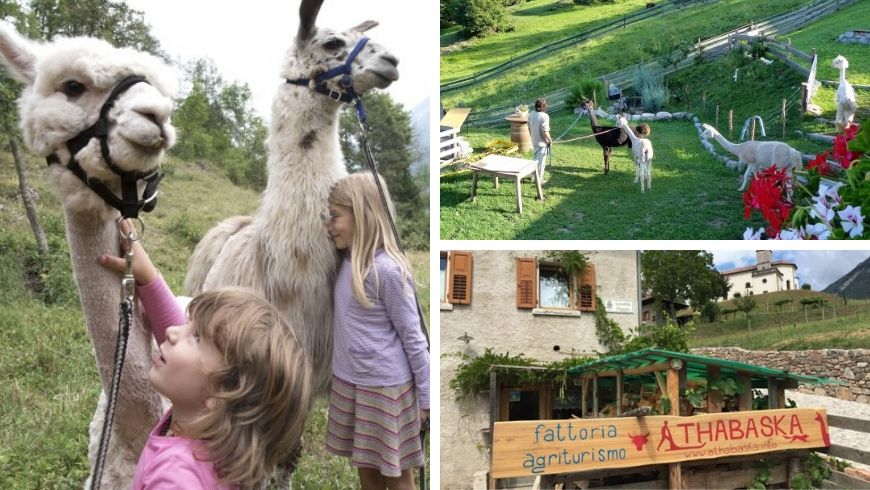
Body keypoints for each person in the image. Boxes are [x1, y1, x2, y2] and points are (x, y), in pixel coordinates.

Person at [100, 220, 312, 489]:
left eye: (196, 336)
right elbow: (195, 352)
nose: (173, 332)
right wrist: (150, 279)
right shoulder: (209, 437)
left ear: (224, 395)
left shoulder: (176, 479)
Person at [326, 173, 430, 490]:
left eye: (335, 217)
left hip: (385, 390)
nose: (329, 226)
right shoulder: (346, 263)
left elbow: (414, 339)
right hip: (351, 383)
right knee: (365, 466)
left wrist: (426, 398)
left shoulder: (387, 271)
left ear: (362, 214)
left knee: (396, 476)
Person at [528, 98, 553, 181]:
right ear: (543, 107)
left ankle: (533, 175)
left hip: (534, 140)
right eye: (545, 106)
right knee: (541, 162)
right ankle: (539, 179)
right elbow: (545, 131)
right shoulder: (544, 116)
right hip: (542, 143)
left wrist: (532, 137)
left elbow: (529, 128)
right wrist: (550, 140)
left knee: (535, 159)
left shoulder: (531, 114)